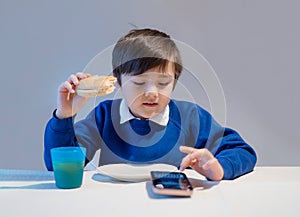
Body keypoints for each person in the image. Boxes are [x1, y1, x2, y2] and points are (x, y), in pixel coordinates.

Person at [44, 28, 257, 181]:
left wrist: (218, 167)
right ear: (118, 82)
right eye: (138, 82)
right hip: (112, 205)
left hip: (168, 204)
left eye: (163, 83)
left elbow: (242, 151)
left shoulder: (189, 116)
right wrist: (65, 115)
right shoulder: (104, 116)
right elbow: (58, 167)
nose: (151, 92)